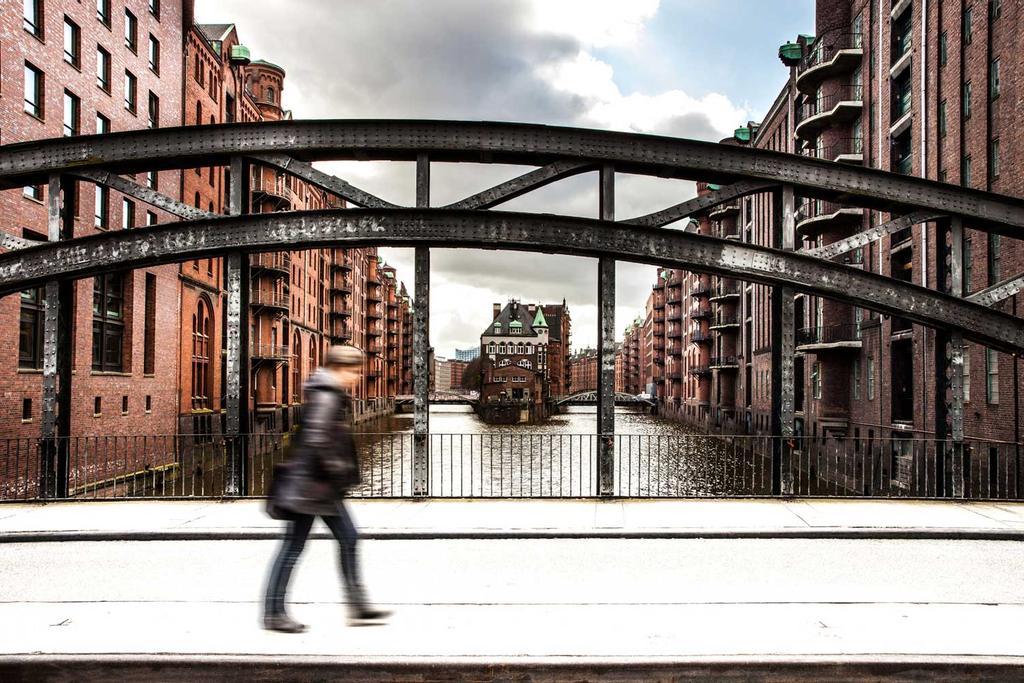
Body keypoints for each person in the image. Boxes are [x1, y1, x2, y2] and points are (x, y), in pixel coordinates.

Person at [263, 345, 390, 633]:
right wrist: (338, 470)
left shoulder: (326, 392)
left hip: (318, 487)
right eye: (353, 371)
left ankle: (357, 606)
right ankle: (273, 613)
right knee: (295, 548)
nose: (357, 377)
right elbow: (318, 438)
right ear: (337, 368)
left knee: (347, 538)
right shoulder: (326, 395)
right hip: (313, 487)